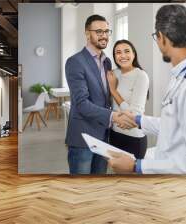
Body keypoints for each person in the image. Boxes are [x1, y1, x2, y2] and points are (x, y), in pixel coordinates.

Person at [108, 4, 186, 175]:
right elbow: (174, 125)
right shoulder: (182, 76)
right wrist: (139, 120)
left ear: (161, 37)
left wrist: (137, 165)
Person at [65, 15, 136, 175]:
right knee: (81, 189)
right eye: (98, 31)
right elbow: (82, 103)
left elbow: (105, 97)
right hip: (83, 136)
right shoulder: (75, 62)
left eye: (106, 31)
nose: (104, 35)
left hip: (103, 134)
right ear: (87, 33)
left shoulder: (107, 61)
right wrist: (114, 116)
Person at [107, 40, 150, 159]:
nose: (123, 56)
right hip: (114, 134)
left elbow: (134, 115)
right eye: (118, 52)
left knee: (131, 177)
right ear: (114, 56)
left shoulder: (141, 75)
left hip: (133, 137)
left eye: (127, 51)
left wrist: (113, 91)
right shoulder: (113, 73)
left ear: (134, 54)